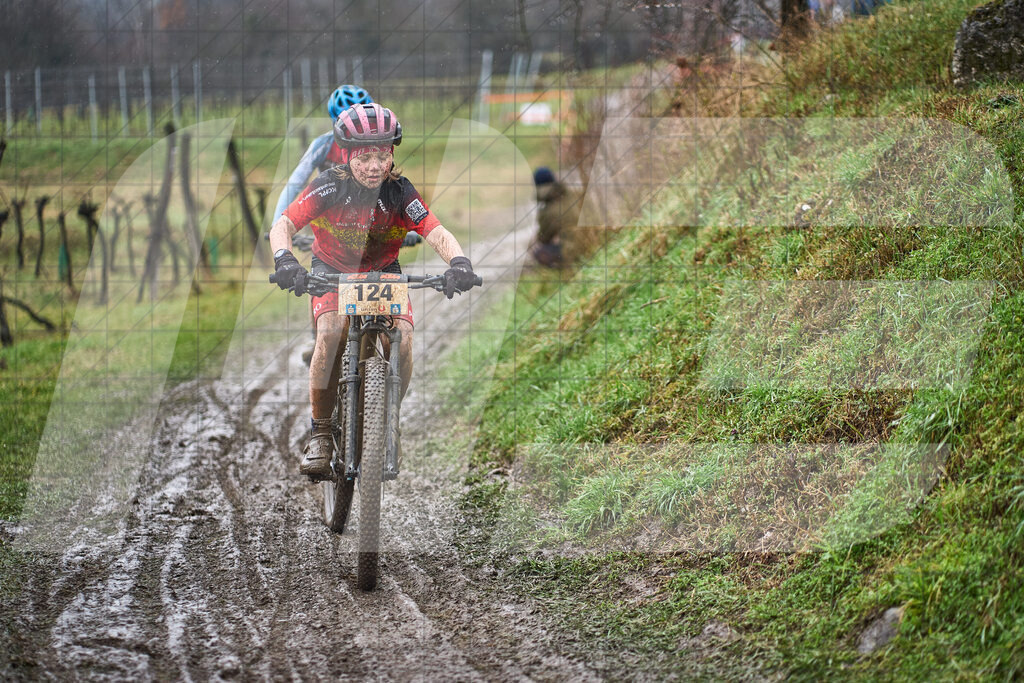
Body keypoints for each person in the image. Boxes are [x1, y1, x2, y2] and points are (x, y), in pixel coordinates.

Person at [268, 103, 478, 480]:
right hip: (331, 270)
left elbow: (435, 230)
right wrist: (285, 260)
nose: (373, 166)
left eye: (382, 156)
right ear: (348, 156)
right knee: (330, 333)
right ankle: (320, 433)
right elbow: (283, 223)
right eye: (364, 157)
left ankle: (388, 420)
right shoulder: (329, 186)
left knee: (405, 338)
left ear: (391, 155)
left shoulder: (400, 192)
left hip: (383, 271)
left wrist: (458, 263)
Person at [530, 166, 583, 268]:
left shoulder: (546, 210)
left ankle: (562, 268)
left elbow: (544, 238)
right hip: (593, 240)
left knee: (537, 251)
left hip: (574, 250)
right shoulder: (573, 193)